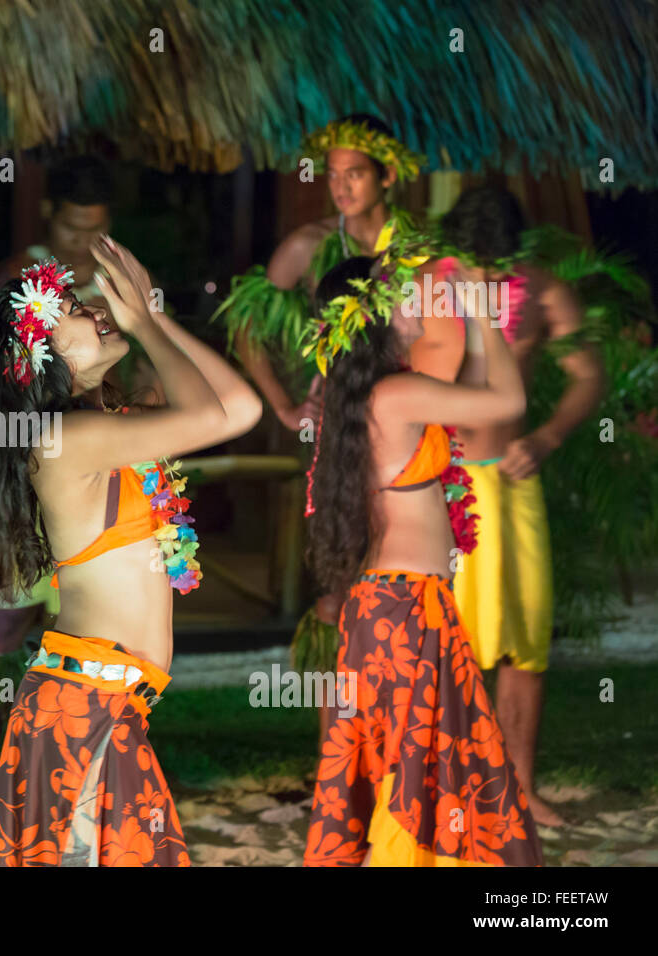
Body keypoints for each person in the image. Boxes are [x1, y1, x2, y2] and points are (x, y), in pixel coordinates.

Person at [0, 240, 263, 866]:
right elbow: (218, 419)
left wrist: (155, 318)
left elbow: (239, 407)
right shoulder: (63, 439)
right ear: (36, 354)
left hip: (103, 705)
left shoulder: (112, 427)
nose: (97, 311)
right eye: (73, 310)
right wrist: (147, 322)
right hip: (85, 710)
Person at [301, 243, 542, 866]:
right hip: (407, 609)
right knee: (421, 767)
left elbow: (482, 394)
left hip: (393, 606)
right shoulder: (398, 394)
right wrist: (484, 314)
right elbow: (507, 404)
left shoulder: (373, 395)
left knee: (420, 764)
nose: (418, 299)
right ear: (377, 314)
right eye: (403, 292)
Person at [212, 114, 452, 739]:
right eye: (332, 175)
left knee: (402, 587)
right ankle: (337, 760)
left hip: (411, 434)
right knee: (336, 592)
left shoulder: (419, 253)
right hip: (339, 435)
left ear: (387, 176)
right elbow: (247, 325)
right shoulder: (310, 245)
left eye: (354, 174)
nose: (340, 188)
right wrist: (286, 407)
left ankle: (401, 745)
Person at [440, 186, 606, 828]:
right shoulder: (428, 288)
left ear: (514, 248)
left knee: (523, 640)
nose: (480, 269)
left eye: (493, 258)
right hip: (440, 481)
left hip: (510, 483)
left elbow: (587, 372)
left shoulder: (542, 291)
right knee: (444, 641)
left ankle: (518, 788)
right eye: (469, 256)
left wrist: (546, 436)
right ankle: (446, 788)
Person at [0, 156, 120, 723]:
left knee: (81, 610)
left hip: (98, 468)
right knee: (8, 611)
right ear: (50, 216)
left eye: (94, 229)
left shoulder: (116, 284)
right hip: (22, 464)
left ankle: (62, 725)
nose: (82, 240)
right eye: (73, 227)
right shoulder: (13, 279)